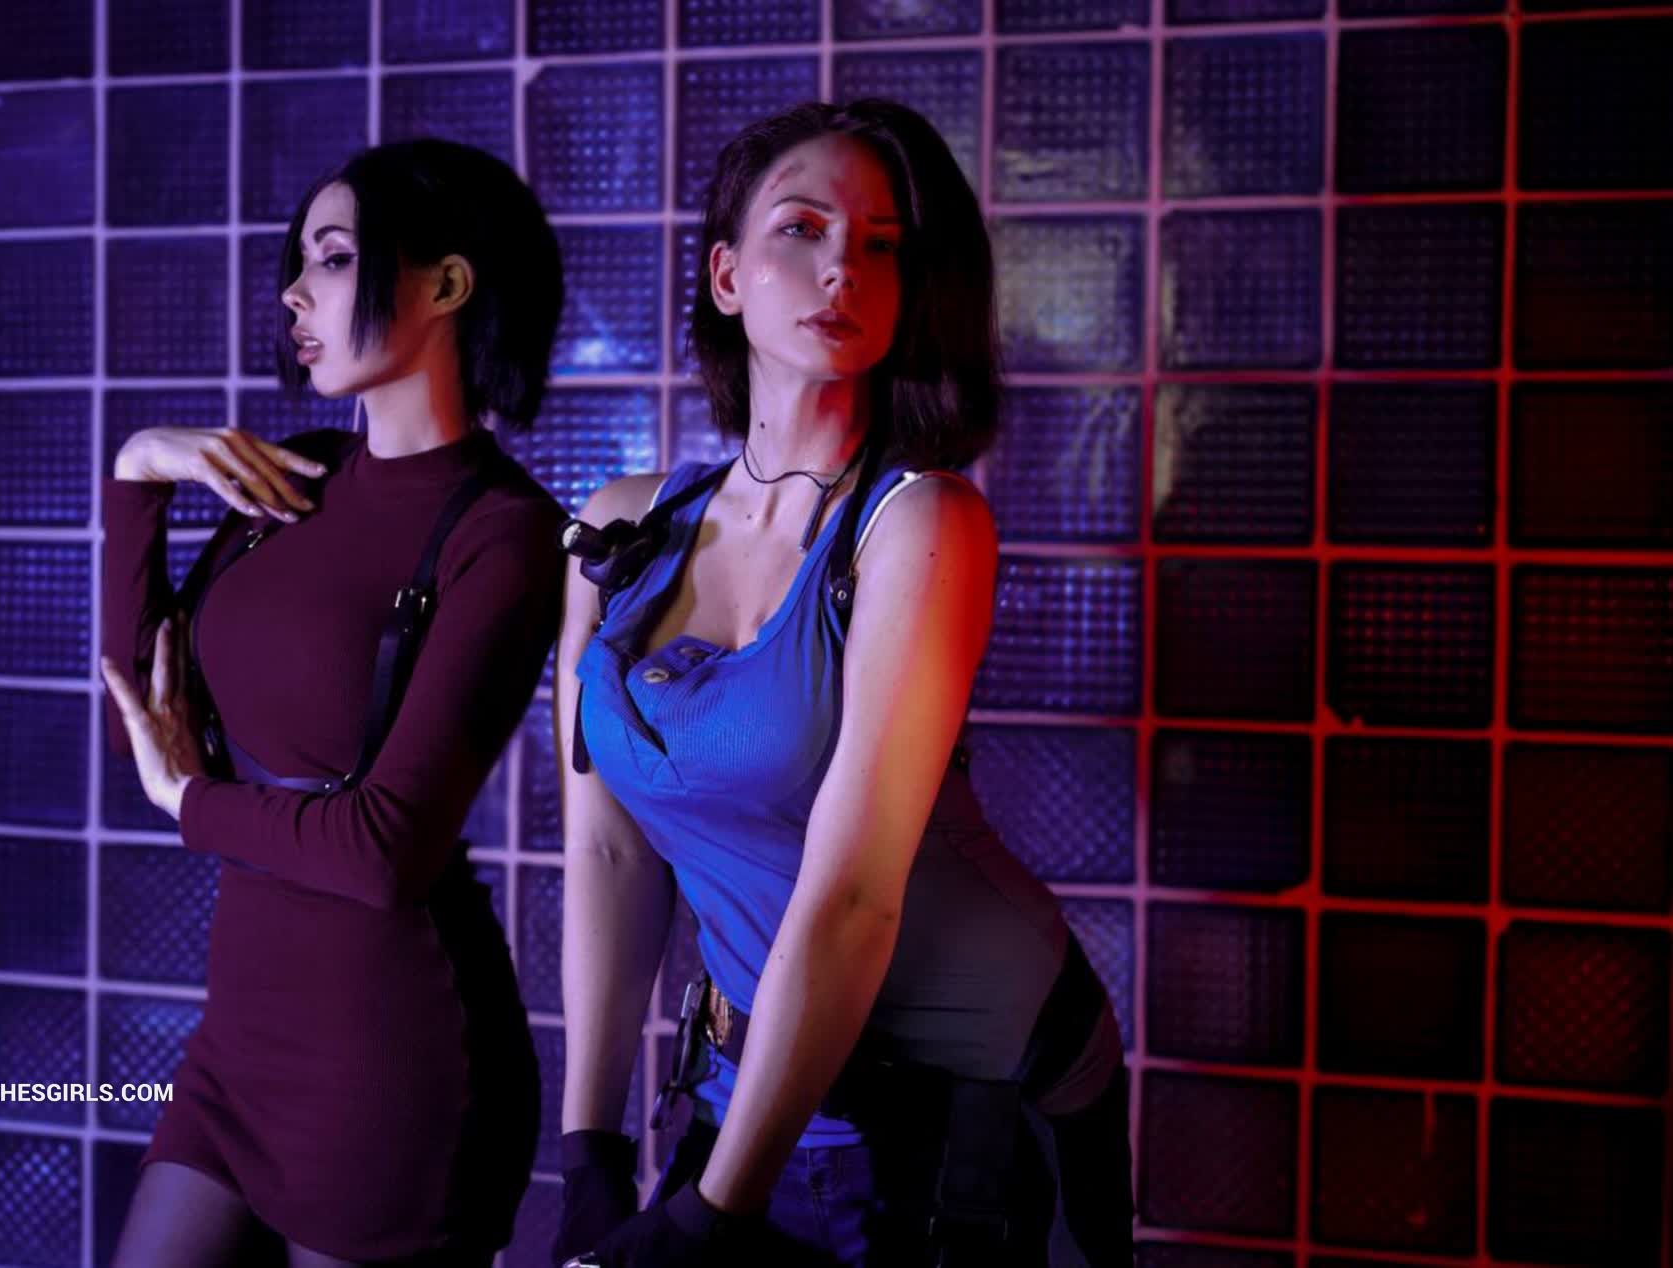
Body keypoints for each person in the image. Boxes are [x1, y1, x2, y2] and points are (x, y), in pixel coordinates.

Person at [550, 100, 1135, 1267]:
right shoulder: (620, 526)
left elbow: (855, 893)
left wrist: (707, 1215)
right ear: (726, 275)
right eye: (802, 228)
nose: (841, 268)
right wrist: (589, 1150)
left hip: (958, 1104)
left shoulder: (922, 521)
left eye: (881, 244)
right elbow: (608, 851)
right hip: (747, 1081)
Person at [97, 138, 565, 1268]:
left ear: (445, 284)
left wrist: (189, 801)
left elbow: (383, 850)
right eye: (299, 262)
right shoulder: (287, 479)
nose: (294, 294)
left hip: (390, 1061)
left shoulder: (504, 533)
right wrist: (138, 475)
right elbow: (142, 710)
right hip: (236, 1042)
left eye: (336, 257)